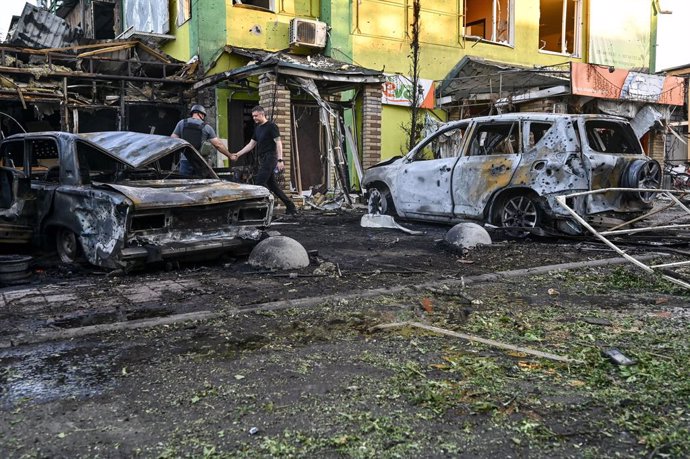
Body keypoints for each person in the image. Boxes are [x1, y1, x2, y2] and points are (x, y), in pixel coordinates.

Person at [230, 106, 297, 215]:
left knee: (259, 183)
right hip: (262, 159)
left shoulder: (271, 126)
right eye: (253, 116)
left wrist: (280, 160)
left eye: (256, 116)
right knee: (273, 186)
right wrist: (238, 154)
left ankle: (259, 211)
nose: (254, 118)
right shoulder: (258, 129)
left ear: (262, 114)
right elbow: (251, 145)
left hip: (270, 158)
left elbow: (278, 143)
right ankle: (290, 206)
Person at [171, 104, 232, 176]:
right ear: (200, 114)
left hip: (185, 161)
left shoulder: (181, 123)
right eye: (203, 115)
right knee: (200, 185)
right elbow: (218, 145)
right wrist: (230, 155)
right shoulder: (207, 127)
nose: (203, 117)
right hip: (199, 162)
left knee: (185, 184)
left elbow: (173, 139)